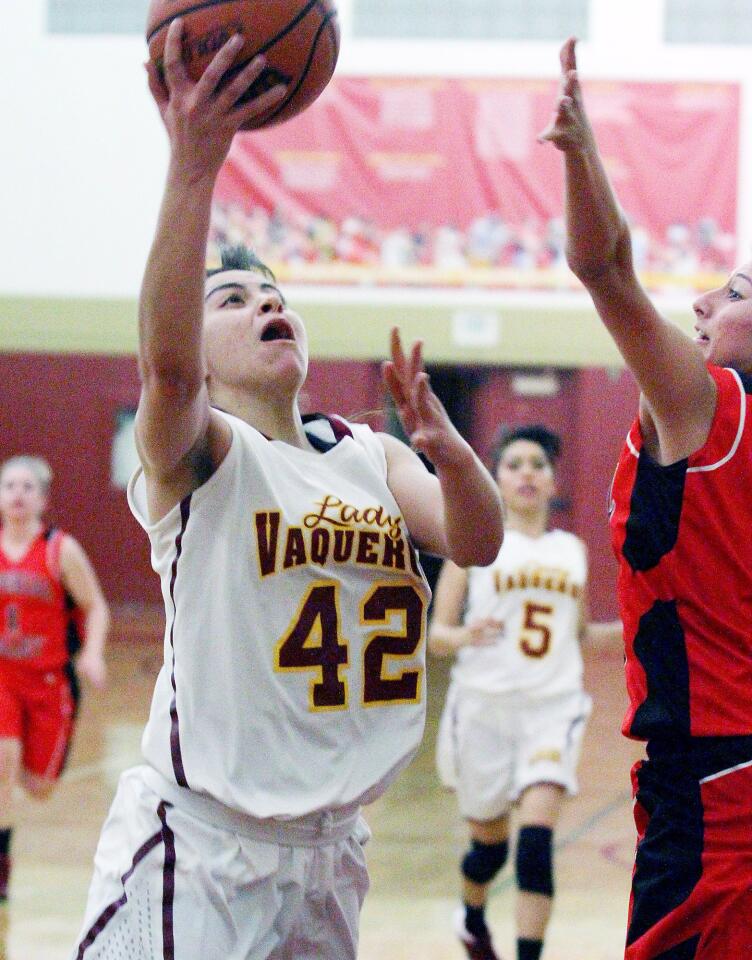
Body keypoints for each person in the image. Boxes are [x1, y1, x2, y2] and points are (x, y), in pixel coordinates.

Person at [70, 20, 504, 960]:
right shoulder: (203, 454)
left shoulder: (366, 455)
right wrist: (194, 163)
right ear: (203, 349)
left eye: (274, 294)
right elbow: (169, 373)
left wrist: (447, 450)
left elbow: (478, 542)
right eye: (233, 300)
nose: (267, 302)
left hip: (332, 855)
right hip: (201, 850)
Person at [540, 37, 752, 960]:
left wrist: (583, 156)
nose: (703, 300)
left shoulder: (719, 408)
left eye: (735, 291)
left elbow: (606, 272)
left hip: (720, 785)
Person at [430, 424, 618, 960]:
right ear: (496, 478)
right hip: (484, 709)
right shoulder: (474, 547)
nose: (528, 472)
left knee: (535, 846)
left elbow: (579, 633)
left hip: (551, 710)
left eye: (538, 463)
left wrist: (644, 628)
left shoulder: (572, 551)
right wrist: (464, 634)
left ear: (554, 479)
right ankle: (470, 913)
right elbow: (436, 636)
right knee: (490, 849)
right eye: (515, 464)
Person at [0, 455, 109, 959]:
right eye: (9, 485)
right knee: (2, 766)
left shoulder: (59, 550)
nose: (18, 494)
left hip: (48, 682)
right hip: (3, 679)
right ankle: (2, 866)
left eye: (28, 487)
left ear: (42, 499)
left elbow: (96, 606)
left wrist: (90, 652)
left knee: (39, 788)